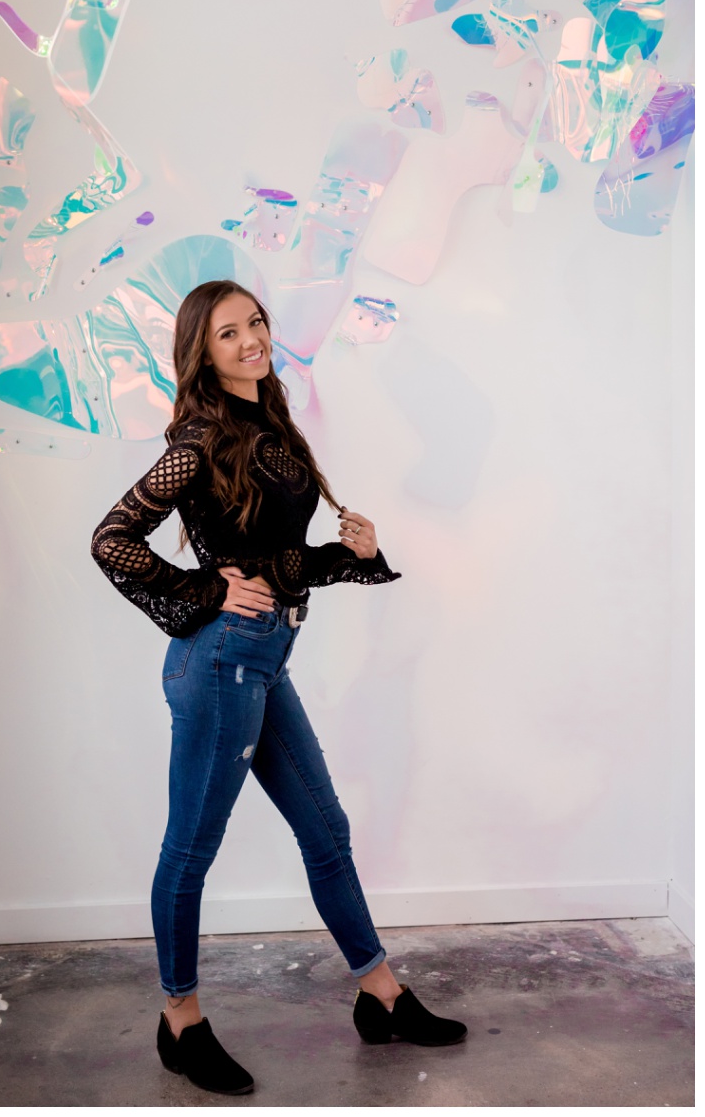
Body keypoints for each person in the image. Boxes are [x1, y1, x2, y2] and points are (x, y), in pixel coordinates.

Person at [91, 280, 465, 1096]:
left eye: (255, 323)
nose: (251, 339)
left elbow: (278, 563)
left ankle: (382, 994)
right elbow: (111, 538)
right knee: (190, 850)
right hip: (219, 664)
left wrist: (353, 553)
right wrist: (206, 591)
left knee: (327, 830)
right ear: (203, 351)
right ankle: (180, 1021)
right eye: (229, 333)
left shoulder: (266, 422)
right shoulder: (196, 441)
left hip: (262, 659)